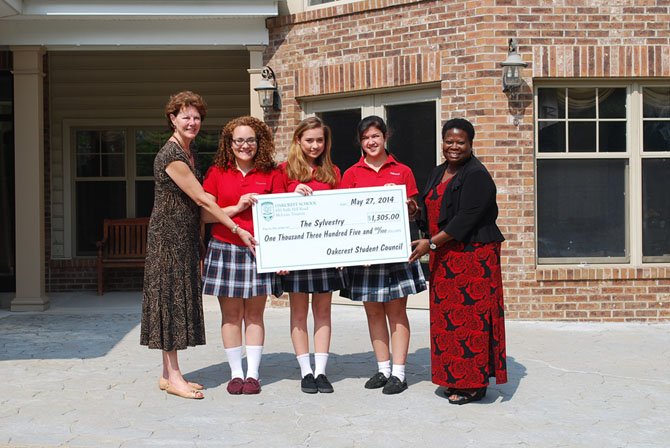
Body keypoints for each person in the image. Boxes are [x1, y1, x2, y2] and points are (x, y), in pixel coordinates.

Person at [140, 91, 255, 400]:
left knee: (175, 300)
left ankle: (168, 376)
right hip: (168, 239)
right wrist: (236, 228)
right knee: (170, 303)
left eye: (196, 117)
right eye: (185, 116)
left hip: (186, 235)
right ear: (172, 119)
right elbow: (203, 198)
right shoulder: (172, 156)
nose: (192, 122)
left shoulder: (189, 153)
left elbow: (201, 210)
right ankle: (175, 376)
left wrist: (236, 208)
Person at [409, 117, 508, 405]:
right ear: (442, 142)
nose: (454, 147)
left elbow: (466, 218)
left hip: (473, 256)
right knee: (447, 320)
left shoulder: (477, 174)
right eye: (449, 141)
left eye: (460, 142)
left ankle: (473, 385)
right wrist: (416, 212)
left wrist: (432, 243)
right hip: (446, 256)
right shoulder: (439, 172)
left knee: (471, 320)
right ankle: (453, 377)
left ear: (470, 144)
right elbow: (433, 208)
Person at [340, 115, 426, 395]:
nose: (371, 142)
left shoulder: (402, 170)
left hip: (396, 252)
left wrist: (406, 202)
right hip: (365, 256)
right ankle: (382, 369)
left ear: (385, 137)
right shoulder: (351, 174)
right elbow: (343, 215)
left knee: (397, 312)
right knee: (373, 312)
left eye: (376, 136)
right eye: (366, 138)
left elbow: (415, 212)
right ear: (360, 142)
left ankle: (399, 373)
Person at [201, 116, 284, 395]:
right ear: (230, 143)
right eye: (239, 140)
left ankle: (253, 374)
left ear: (259, 142)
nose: (245, 145)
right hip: (225, 247)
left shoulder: (272, 173)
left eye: (250, 140)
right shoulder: (217, 172)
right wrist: (237, 207)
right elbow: (204, 214)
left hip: (260, 250)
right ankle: (236, 373)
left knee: (255, 315)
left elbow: (285, 213)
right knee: (231, 315)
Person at [279, 117, 345, 394]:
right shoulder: (283, 171)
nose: (315, 145)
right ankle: (305, 370)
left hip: (325, 254)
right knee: (298, 312)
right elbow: (273, 212)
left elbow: (343, 212)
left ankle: (320, 370)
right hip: (296, 254)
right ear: (298, 141)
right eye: (309, 140)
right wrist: (291, 194)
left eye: (320, 140)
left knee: (323, 312)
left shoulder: (333, 172)